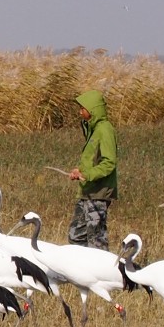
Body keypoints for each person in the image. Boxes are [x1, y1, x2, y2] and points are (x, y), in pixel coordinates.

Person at [61, 89, 118, 248]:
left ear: (92, 110)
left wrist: (87, 174)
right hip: (87, 191)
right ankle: (81, 271)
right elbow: (92, 159)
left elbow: (109, 163)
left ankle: (103, 272)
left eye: (82, 108)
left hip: (98, 193)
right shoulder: (93, 129)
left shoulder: (105, 129)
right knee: (76, 236)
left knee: (96, 240)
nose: (80, 112)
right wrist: (79, 171)